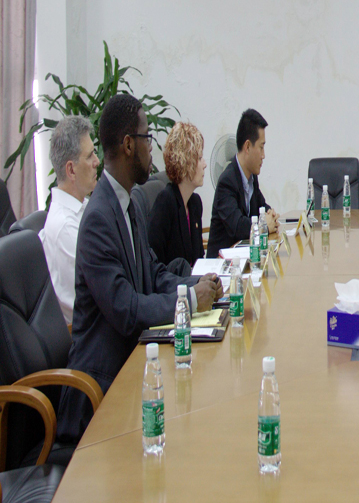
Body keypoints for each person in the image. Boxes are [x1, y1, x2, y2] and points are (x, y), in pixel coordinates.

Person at [57, 94, 222, 443]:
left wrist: (200, 283)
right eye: (148, 138)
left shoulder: (128, 202)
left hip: (134, 367)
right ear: (129, 145)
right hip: (100, 391)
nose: (152, 149)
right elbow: (127, 309)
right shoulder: (99, 219)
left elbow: (153, 273)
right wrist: (191, 300)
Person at [39, 116, 100, 325]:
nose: (97, 161)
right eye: (90, 155)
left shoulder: (84, 207)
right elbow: (99, 295)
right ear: (71, 170)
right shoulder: (65, 227)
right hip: (89, 334)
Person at [207, 109, 279, 258]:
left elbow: (261, 207)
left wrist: (270, 214)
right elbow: (237, 227)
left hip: (245, 259)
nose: (263, 155)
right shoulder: (227, 182)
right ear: (247, 147)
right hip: (222, 266)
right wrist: (264, 225)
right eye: (261, 147)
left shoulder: (252, 177)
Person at [148, 122, 207, 268]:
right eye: (200, 158)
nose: (205, 164)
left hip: (194, 281)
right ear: (186, 162)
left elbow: (199, 259)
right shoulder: (165, 202)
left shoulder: (195, 203)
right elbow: (154, 265)